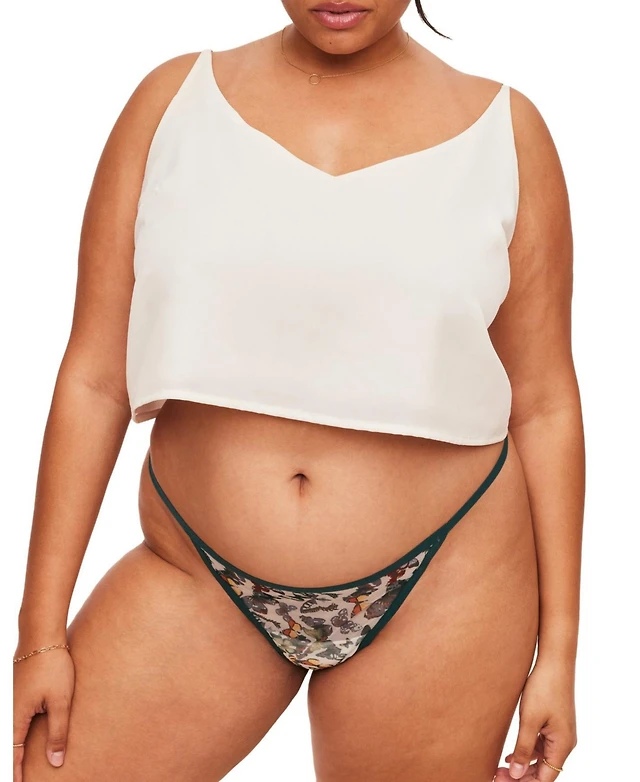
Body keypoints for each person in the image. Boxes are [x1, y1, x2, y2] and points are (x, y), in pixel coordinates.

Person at [13, 2, 584, 780]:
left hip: (447, 584)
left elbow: (545, 403)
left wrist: (559, 656)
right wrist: (39, 635)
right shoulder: (173, 102)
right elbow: (93, 376)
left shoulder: (506, 133)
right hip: (197, 573)